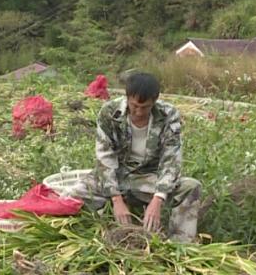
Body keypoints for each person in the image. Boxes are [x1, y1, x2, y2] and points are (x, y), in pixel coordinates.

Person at [72, 72, 201, 242]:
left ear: (155, 101)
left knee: (191, 187)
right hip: (119, 175)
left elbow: (171, 160)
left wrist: (158, 199)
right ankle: (88, 234)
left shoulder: (168, 115)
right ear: (127, 98)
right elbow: (105, 158)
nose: (139, 112)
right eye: (134, 106)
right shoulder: (110, 113)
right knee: (74, 195)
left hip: (149, 178)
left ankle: (180, 245)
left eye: (145, 107)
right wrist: (116, 199)